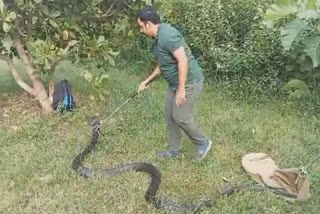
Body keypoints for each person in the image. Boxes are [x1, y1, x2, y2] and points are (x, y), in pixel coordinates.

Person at [137, 5, 211, 161]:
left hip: (189, 82)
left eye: (141, 26)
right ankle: (174, 150)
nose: (140, 30)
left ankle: (203, 143)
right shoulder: (156, 41)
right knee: (170, 115)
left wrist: (182, 89)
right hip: (174, 84)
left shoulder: (168, 35)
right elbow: (161, 66)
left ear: (148, 24)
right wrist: (146, 82)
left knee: (181, 117)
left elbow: (182, 60)